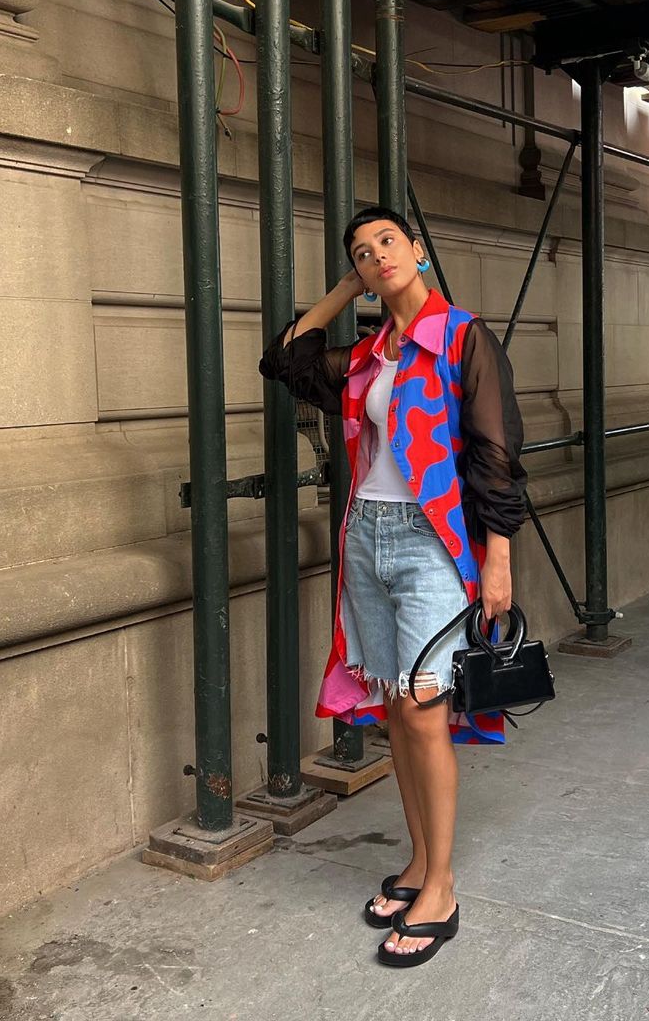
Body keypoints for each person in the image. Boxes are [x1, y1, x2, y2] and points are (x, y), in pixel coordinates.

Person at [259, 206, 526, 967]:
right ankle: (417, 861)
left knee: (423, 709)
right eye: (362, 252)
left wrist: (498, 559)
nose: (378, 255)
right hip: (367, 538)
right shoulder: (370, 354)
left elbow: (496, 451)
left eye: (388, 241)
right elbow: (285, 360)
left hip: (433, 544)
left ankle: (440, 885)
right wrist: (347, 289)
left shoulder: (463, 337)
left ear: (418, 251)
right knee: (397, 713)